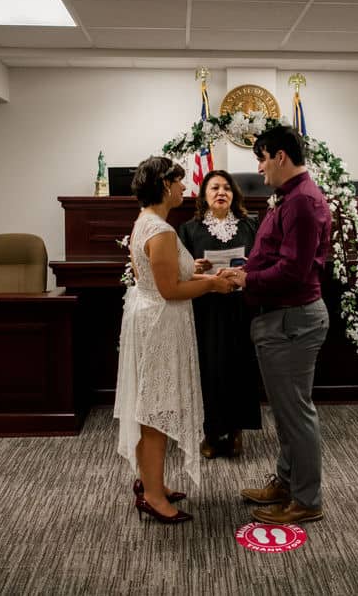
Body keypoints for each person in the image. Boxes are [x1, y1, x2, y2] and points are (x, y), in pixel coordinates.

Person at [114, 156, 237, 524]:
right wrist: (213, 285)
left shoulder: (146, 222)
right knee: (156, 411)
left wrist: (192, 268)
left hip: (149, 320)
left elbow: (158, 274)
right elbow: (169, 289)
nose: (186, 187)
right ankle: (153, 496)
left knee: (151, 406)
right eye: (181, 181)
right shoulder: (163, 230)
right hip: (160, 327)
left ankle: (152, 481)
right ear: (165, 185)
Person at [224, 126, 331, 525]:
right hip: (282, 318)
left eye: (262, 158)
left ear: (281, 156)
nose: (259, 167)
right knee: (288, 413)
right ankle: (287, 483)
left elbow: (293, 272)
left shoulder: (302, 201)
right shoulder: (289, 197)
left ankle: (306, 500)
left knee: (296, 415)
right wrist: (238, 269)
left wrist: (247, 280)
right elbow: (269, 254)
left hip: (291, 318)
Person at [177, 170, 262, 460]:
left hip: (241, 308)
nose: (221, 192)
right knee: (209, 369)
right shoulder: (189, 229)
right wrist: (194, 268)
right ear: (204, 195)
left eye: (227, 188)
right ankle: (211, 433)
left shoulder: (251, 226)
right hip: (206, 308)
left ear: (234, 195)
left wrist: (247, 270)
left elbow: (262, 263)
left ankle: (237, 432)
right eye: (214, 188)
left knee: (240, 366)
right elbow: (179, 272)